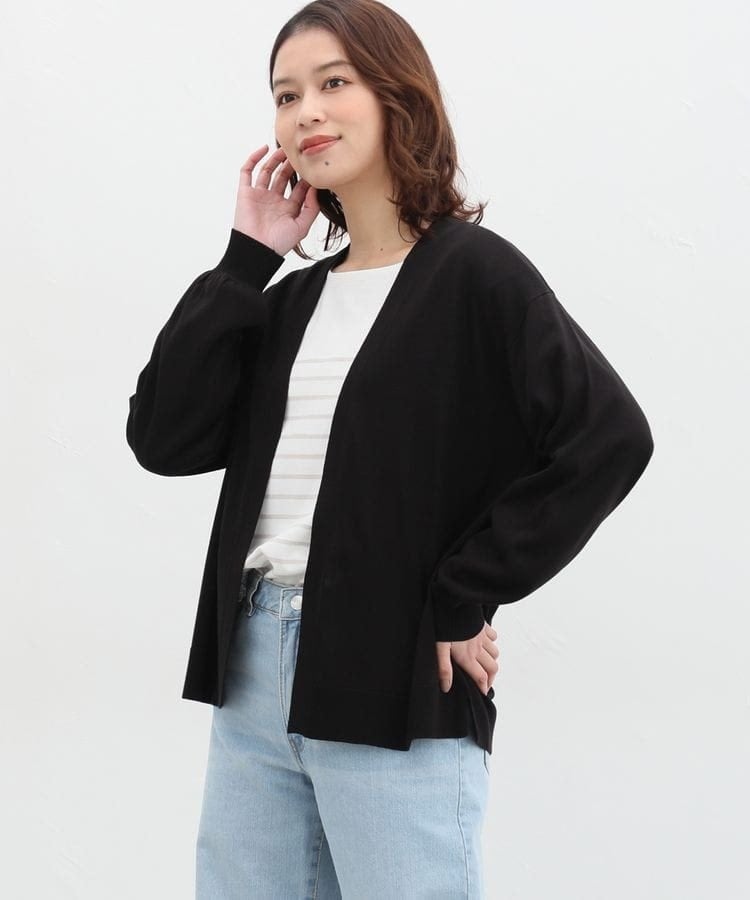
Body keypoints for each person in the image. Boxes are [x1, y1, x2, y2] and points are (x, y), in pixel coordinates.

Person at [125, 1, 654, 897]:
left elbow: (608, 437)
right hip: (249, 675)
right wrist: (247, 260)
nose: (306, 112)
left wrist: (464, 591)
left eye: (333, 82)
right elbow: (162, 437)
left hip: (394, 670)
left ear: (396, 95)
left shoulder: (474, 274)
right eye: (285, 95)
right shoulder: (286, 302)